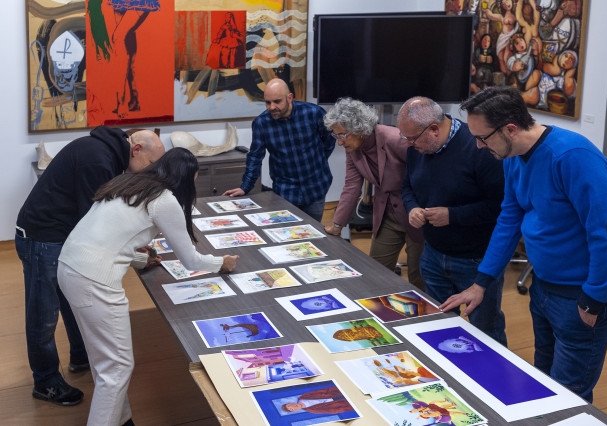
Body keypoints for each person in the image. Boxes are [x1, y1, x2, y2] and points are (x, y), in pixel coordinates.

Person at [442, 86, 607, 402]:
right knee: (543, 381)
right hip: (544, 289)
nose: (477, 145)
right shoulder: (512, 155)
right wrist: (482, 282)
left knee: (570, 395)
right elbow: (508, 220)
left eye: (482, 137)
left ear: (510, 129)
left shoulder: (573, 157)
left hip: (581, 297)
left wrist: (593, 300)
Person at [57, 148, 239, 426]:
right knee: (117, 368)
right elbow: (190, 260)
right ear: (186, 177)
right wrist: (221, 263)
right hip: (94, 282)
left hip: (69, 268)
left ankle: (122, 420)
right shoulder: (163, 200)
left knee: (103, 361)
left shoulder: (126, 184)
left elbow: (106, 237)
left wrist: (142, 258)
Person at [15, 127, 165, 407]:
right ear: (136, 150)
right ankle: (45, 382)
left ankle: (81, 355)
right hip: (41, 238)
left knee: (72, 301)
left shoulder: (106, 154)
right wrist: (134, 255)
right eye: (151, 166)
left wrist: (132, 247)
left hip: (57, 234)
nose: (150, 173)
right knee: (44, 315)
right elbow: (95, 224)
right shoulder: (98, 160)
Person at [399, 97, 507, 346]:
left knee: (485, 328)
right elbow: (407, 187)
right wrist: (412, 207)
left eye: (412, 139)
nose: (408, 144)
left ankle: (493, 379)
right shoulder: (418, 147)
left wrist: (452, 216)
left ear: (434, 129)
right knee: (439, 324)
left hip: (475, 260)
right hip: (433, 254)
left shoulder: (479, 148)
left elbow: (499, 207)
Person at [323, 98, 424, 288]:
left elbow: (424, 176)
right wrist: (338, 224)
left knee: (417, 277)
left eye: (342, 135)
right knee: (376, 272)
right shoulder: (352, 148)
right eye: (336, 136)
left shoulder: (396, 139)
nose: (339, 142)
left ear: (359, 128)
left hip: (415, 215)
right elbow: (352, 186)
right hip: (386, 215)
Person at [223, 78, 335, 222]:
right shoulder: (261, 123)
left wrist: (318, 161)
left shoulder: (313, 113)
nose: (271, 107)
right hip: (285, 192)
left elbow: (330, 139)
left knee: (314, 235)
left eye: (277, 101)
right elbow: (255, 157)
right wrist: (245, 187)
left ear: (290, 98)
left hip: (316, 188)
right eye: (268, 102)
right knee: (286, 236)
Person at [281, 385, 354, 414]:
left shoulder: (303, 396)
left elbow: (324, 390)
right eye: (291, 409)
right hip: (341, 403)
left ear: (291, 402)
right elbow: (334, 410)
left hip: (337, 393)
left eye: (290, 405)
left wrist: (338, 388)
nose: (293, 407)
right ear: (295, 411)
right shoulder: (312, 410)